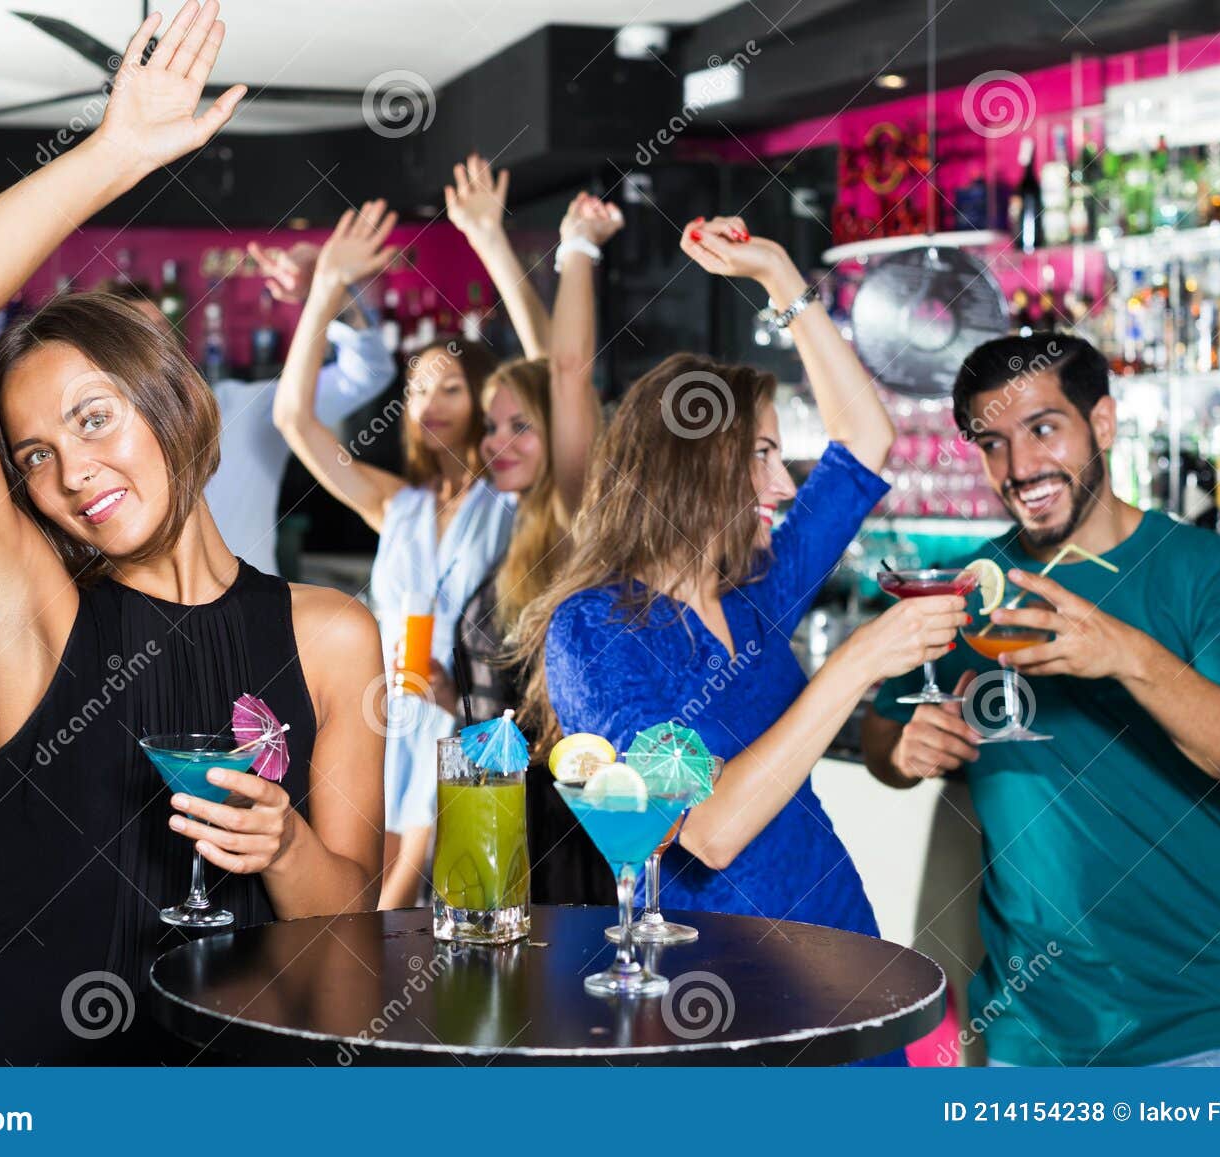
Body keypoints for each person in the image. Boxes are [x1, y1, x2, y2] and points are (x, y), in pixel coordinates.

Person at [0, 2, 383, 1064]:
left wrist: (283, 842)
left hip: (228, 1072)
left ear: (170, 399)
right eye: (33, 455)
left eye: (92, 417)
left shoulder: (333, 632)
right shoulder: (35, 614)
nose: (72, 471)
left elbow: (347, 926)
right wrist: (116, 152)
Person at [513, 217, 964, 984]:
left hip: (840, 938)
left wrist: (781, 276)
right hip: (721, 981)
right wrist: (856, 663)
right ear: (691, 467)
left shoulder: (757, 586)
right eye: (761, 456)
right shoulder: (594, 630)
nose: (784, 484)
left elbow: (863, 440)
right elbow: (709, 831)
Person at [861, 332, 1220, 1068]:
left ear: (1101, 425)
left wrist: (1125, 653)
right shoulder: (968, 587)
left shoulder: (1207, 572)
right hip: (1032, 1026)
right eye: (993, 443)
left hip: (1205, 1022)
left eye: (1042, 429)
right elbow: (882, 732)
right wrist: (904, 750)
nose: (1020, 468)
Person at [273, 156, 548, 909]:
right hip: (380, 719)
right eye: (418, 384)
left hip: (470, 731)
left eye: (450, 385)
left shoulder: (517, 498)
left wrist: (493, 243)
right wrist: (327, 288)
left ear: (490, 394)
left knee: (423, 918)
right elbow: (294, 419)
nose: (428, 400)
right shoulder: (396, 503)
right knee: (360, 907)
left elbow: (558, 387)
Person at [449, 192, 620, 904]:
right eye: (491, 428)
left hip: (556, 827)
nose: (497, 443)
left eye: (521, 426)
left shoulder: (580, 517)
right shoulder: (508, 526)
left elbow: (565, 372)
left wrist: (575, 249)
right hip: (485, 806)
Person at [112, 257, 396, 576]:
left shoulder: (246, 409)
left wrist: (333, 295)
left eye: (163, 332)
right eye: (138, 337)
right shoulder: (93, 451)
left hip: (256, 622)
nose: (157, 347)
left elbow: (366, 374)